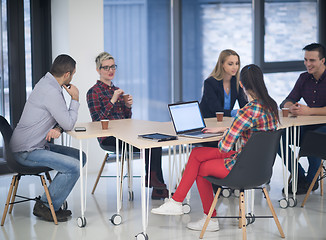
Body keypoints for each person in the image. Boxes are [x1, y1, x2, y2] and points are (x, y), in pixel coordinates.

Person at [151, 64, 279, 232]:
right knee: (197, 153)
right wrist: (227, 129)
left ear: (241, 85)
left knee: (201, 167)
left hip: (243, 167)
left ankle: (207, 217)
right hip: (261, 168)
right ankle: (176, 202)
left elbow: (225, 148)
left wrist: (228, 133)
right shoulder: (271, 106)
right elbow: (256, 131)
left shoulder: (246, 111)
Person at [10, 54, 86, 222]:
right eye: (73, 74)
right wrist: (75, 99)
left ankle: (52, 200)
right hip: (26, 151)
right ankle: (45, 205)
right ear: (67, 75)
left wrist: (58, 127)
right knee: (73, 167)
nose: (73, 77)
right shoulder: (51, 91)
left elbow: (60, 122)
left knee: (80, 157)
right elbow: (68, 123)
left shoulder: (46, 82)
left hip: (37, 145)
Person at [86, 52, 168, 199]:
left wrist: (127, 106)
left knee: (155, 142)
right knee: (150, 144)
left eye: (113, 67)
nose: (110, 70)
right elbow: (98, 121)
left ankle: (155, 183)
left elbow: (126, 120)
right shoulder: (93, 92)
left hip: (126, 134)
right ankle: (158, 186)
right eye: (106, 67)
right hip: (108, 137)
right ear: (98, 70)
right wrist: (113, 100)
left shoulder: (116, 90)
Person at [279, 43, 326, 195]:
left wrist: (310, 111)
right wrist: (290, 106)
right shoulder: (303, 78)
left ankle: (312, 181)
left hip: (323, 129)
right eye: (306, 60)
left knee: (313, 138)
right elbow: (287, 100)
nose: (307, 64)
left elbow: (310, 112)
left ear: (323, 60)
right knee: (279, 137)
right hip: (308, 126)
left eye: (312, 60)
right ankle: (300, 176)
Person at [199, 49, 248, 118]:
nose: (235, 67)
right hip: (209, 120)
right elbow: (216, 109)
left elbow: (243, 103)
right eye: (230, 64)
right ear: (222, 64)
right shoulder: (210, 83)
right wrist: (235, 112)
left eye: (237, 63)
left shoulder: (237, 81)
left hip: (225, 121)